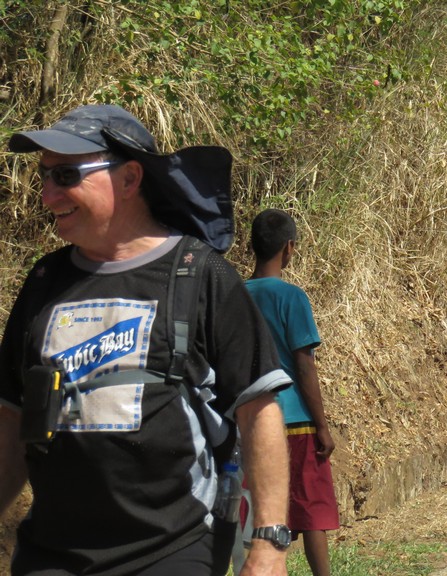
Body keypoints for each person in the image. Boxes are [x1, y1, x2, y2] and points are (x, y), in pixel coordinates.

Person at [0, 104, 292, 575]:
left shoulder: (199, 275)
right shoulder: (44, 282)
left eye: (66, 175)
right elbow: (12, 422)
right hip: (51, 554)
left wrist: (269, 542)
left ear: (130, 178)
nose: (47, 195)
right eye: (45, 177)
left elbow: (258, 409)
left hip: (172, 547)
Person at [245, 209, 339, 576]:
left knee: (261, 513)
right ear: (289, 248)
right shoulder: (292, 297)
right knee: (312, 509)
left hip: (251, 421)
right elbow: (304, 365)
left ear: (252, 246)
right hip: (296, 420)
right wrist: (323, 426)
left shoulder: (233, 296)